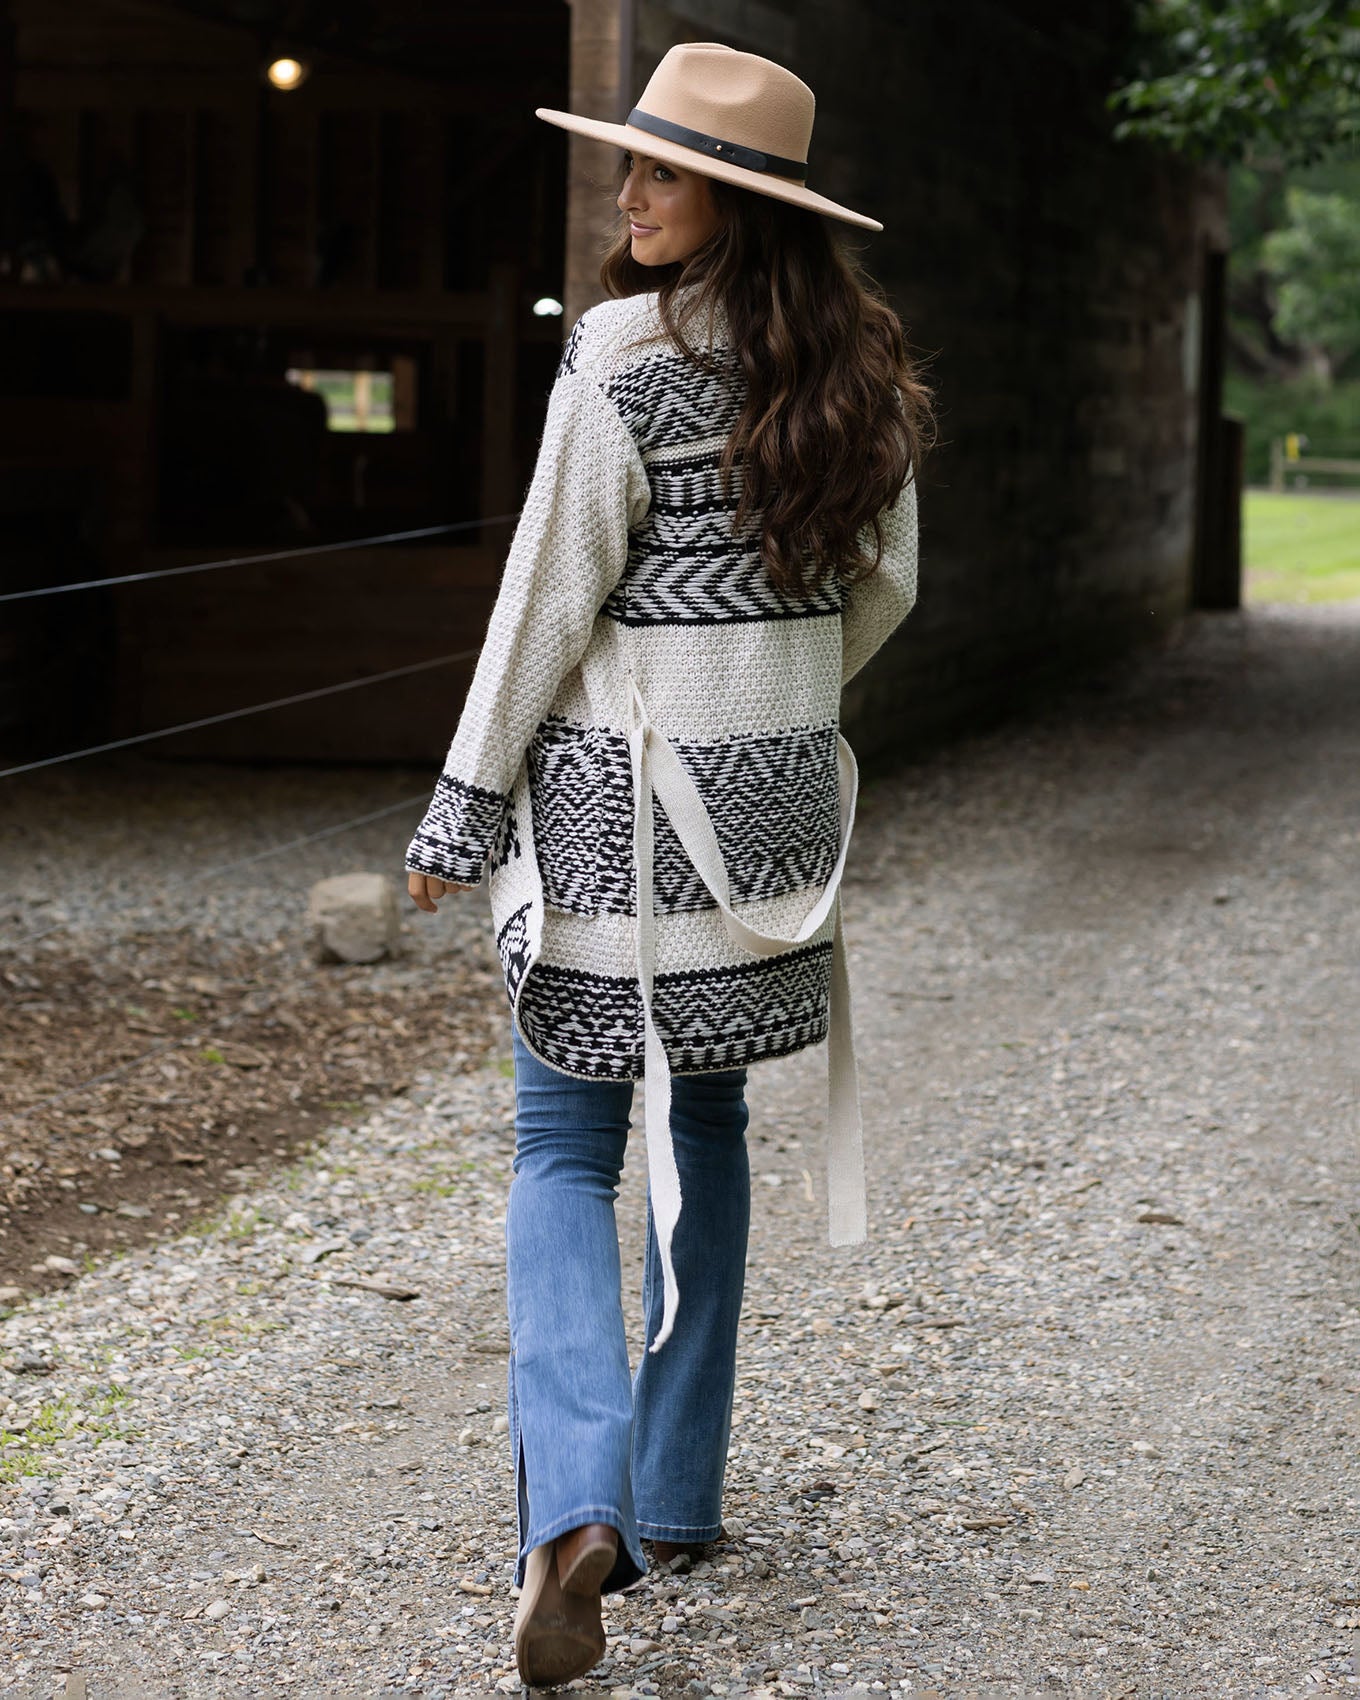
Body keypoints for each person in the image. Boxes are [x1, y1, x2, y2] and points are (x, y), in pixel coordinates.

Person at [404, 40, 932, 1688]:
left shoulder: (621, 358)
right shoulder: (867, 378)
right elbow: (888, 593)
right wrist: (770, 714)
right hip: (772, 834)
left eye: (661, 173)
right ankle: (678, 1495)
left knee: (563, 1151)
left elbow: (546, 604)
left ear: (739, 207)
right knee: (703, 1120)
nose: (625, 195)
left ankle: (577, 1509)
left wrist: (462, 805)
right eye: (628, 165)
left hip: (620, 829)